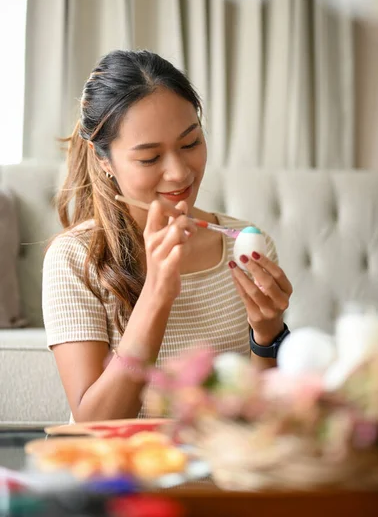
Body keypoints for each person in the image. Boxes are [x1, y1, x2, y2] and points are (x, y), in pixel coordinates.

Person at [42, 49, 293, 422]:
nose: (179, 173)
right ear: (104, 161)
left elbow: (258, 417)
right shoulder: (74, 259)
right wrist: (157, 293)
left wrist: (268, 333)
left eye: (191, 143)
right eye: (149, 158)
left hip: (223, 468)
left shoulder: (244, 244)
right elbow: (93, 423)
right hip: (127, 474)